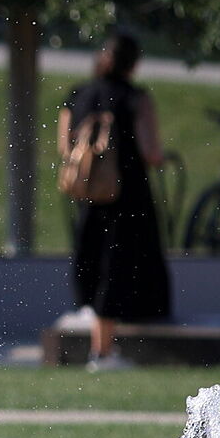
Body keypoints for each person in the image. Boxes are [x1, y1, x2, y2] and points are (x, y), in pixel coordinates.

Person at [58, 32, 169, 371]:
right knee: (118, 268)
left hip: (88, 197)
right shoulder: (135, 98)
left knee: (91, 263)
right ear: (133, 63)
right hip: (127, 197)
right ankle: (103, 351)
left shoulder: (77, 95)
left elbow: (64, 147)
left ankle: (101, 346)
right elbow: (151, 152)